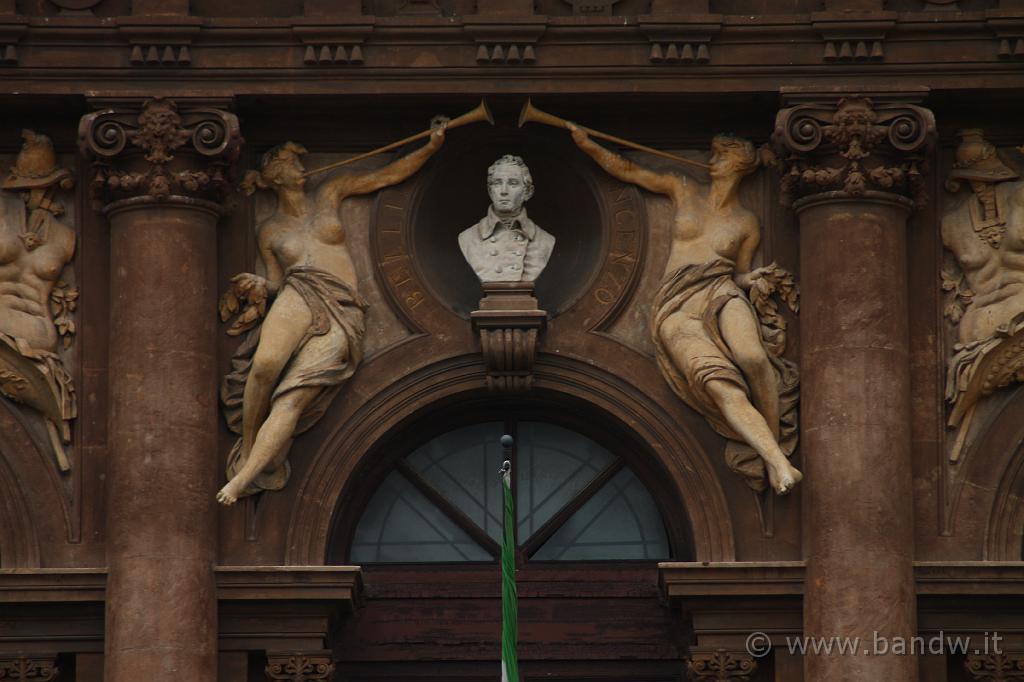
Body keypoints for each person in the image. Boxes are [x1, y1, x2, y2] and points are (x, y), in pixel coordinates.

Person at [217, 124, 446, 505]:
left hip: (341, 304)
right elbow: (276, 281)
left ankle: (247, 473)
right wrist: (259, 284)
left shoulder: (330, 194)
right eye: (292, 163)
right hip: (298, 291)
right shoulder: (270, 230)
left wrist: (430, 147)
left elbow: (385, 175)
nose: (300, 169)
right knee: (265, 365)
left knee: (292, 393)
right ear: (274, 175)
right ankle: (251, 444)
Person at [569, 124, 802, 495]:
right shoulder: (684, 189)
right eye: (713, 154)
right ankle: (777, 462)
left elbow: (737, 272)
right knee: (719, 383)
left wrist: (753, 279)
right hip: (677, 305)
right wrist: (588, 145)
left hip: (721, 290)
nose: (713, 161)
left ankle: (768, 441)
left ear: (740, 166)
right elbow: (630, 171)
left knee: (754, 358)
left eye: (722, 156)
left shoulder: (746, 222)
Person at [0, 129, 76, 471]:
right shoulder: (3, 221)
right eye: (27, 187)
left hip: (41, 335)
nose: (34, 193)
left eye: (42, 185)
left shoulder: (65, 235)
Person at [941, 129, 1024, 428]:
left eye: (983, 175)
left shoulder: (1021, 197)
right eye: (970, 178)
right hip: (976, 328)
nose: (979, 185)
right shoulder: (951, 224)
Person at [458, 154, 555, 283]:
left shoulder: (546, 240)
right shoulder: (467, 238)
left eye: (513, 183)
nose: (504, 191)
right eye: (497, 183)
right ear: (490, 190)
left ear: (528, 192)